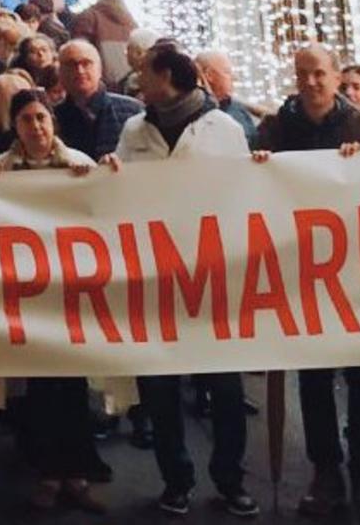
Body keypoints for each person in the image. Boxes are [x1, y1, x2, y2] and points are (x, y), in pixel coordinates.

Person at [114, 42, 257, 518]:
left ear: (166, 77)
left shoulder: (224, 130)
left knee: (226, 388)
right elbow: (119, 193)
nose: (138, 80)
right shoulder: (134, 130)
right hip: (155, 277)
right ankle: (176, 479)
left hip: (212, 276)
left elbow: (244, 196)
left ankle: (230, 477)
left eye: (145, 74)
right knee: (159, 388)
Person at [246, 45, 360, 519]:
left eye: (319, 73)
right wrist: (261, 166)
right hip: (301, 269)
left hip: (355, 271)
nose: (311, 82)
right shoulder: (276, 128)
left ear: (335, 74)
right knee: (315, 378)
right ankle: (326, 471)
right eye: (302, 74)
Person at [0, 90, 104, 512]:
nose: (36, 127)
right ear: (16, 126)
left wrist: (112, 176)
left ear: (53, 123)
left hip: (72, 294)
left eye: (41, 118)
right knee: (40, 391)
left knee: (73, 386)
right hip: (28, 297)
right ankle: (49, 474)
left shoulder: (79, 165)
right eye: (27, 119)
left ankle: (78, 474)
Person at [54, 39, 144, 159]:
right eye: (71, 65)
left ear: (100, 69)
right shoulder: (53, 118)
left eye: (86, 63)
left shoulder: (133, 111)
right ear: (60, 73)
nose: (80, 71)